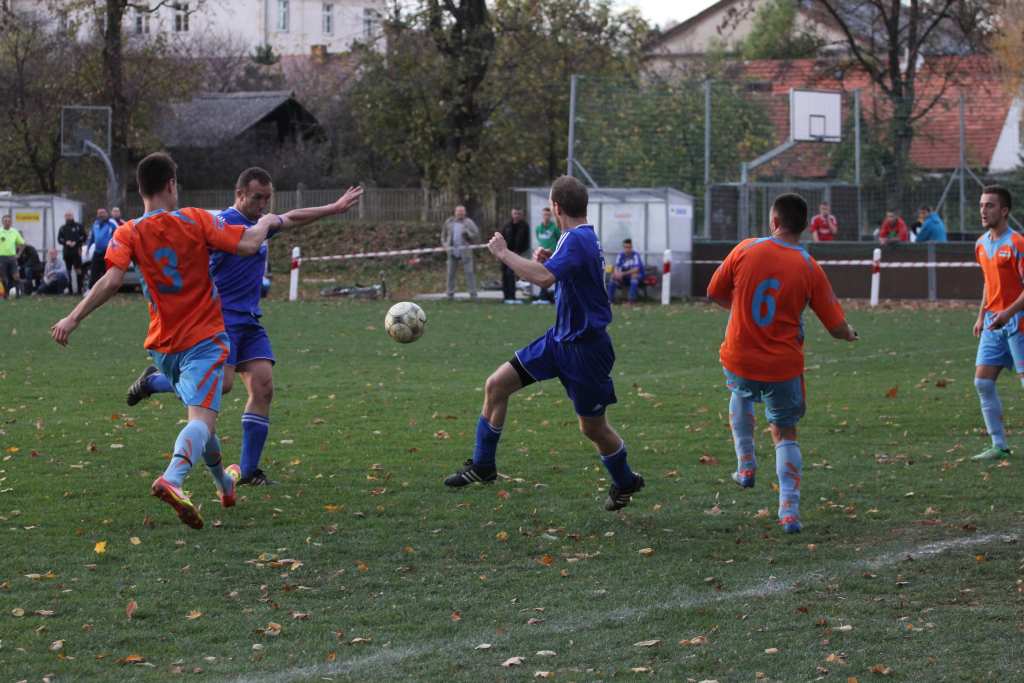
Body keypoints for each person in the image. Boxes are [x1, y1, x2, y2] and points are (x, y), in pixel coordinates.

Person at [51, 152, 279, 529]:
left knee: (202, 415)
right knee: (202, 422)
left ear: (140, 189)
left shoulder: (128, 232)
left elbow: (110, 281)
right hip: (204, 340)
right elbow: (247, 245)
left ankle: (225, 483)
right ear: (171, 184)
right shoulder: (194, 219)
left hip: (162, 347)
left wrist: (72, 318)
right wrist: (267, 222)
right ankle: (172, 479)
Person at [125, 167, 364, 486]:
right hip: (219, 320)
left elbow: (291, 217)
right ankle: (154, 382)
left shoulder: (258, 225)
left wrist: (333, 208)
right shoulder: (222, 223)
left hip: (250, 321)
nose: (263, 204)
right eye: (257, 198)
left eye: (267, 198)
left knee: (263, 386)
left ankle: (249, 470)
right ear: (239, 195)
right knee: (221, 385)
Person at [444, 176, 645, 511]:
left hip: (585, 351)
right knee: (496, 385)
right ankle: (483, 466)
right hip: (559, 341)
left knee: (593, 428)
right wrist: (549, 257)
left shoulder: (578, 240)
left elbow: (542, 277)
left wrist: (503, 252)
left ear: (556, 207)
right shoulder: (576, 239)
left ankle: (625, 481)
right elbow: (558, 274)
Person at [707, 193, 858, 534]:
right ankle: (788, 511)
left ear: (773, 222)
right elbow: (835, 327)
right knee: (784, 431)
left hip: (739, 355)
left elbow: (715, 292)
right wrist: (849, 333)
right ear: (804, 226)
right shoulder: (808, 266)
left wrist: (741, 312)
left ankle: (745, 466)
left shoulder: (745, 248)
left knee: (740, 391)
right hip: (782, 366)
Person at [970, 186, 1024, 461]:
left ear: (1004, 211)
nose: (983, 210)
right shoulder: (981, 244)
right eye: (981, 205)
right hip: (993, 323)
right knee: (983, 382)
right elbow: (988, 285)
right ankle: (999, 445)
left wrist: (1008, 313)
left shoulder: (1017, 243)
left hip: (1018, 322)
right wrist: (982, 315)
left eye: (989, 205)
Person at [441, 205, 479, 300]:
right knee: (450, 273)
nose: (460, 213)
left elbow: (476, 235)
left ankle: (473, 294)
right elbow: (443, 235)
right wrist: (445, 245)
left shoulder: (469, 222)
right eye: (458, 211)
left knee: (469, 272)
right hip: (452, 251)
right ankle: (450, 294)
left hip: (466, 252)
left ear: (465, 213)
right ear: (455, 212)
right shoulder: (449, 222)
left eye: (462, 211)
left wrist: (467, 233)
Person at [500, 208, 530, 303]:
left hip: (517, 254)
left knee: (511, 274)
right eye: (515, 213)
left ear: (521, 215)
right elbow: (502, 238)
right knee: (505, 274)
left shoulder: (524, 226)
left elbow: (526, 242)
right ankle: (506, 297)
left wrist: (519, 252)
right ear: (512, 214)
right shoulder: (507, 225)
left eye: (518, 213)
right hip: (505, 253)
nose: (516, 215)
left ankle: (512, 297)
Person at [86, 208, 117, 289]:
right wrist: (87, 249)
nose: (101, 214)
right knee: (94, 271)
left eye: (103, 213)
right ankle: (91, 289)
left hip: (107, 252)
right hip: (97, 252)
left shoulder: (111, 224)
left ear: (107, 213)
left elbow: (117, 236)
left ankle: (109, 290)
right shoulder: (95, 224)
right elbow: (92, 238)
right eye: (99, 213)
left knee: (107, 272)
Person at [607, 238, 645, 303]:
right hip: (625, 276)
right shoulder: (620, 255)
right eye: (626, 247)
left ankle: (631, 301)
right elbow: (616, 266)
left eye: (629, 247)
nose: (627, 249)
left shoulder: (635, 255)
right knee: (613, 278)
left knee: (634, 277)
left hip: (637, 275)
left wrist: (623, 274)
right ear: (623, 247)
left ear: (631, 247)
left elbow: (636, 269)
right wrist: (617, 274)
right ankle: (610, 300)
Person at [534, 207, 559, 303]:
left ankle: (556, 296)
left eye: (548, 215)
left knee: (555, 275)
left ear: (551, 216)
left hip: (552, 255)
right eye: (544, 214)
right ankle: (543, 297)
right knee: (542, 275)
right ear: (542, 215)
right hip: (542, 256)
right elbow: (539, 240)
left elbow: (559, 239)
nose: (546, 217)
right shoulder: (538, 228)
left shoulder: (554, 228)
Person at [58, 212, 86, 294]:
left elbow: (84, 237)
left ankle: (80, 290)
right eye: (66, 216)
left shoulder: (78, 226)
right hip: (67, 252)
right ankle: (70, 290)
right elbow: (59, 239)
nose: (68, 217)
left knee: (78, 270)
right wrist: (66, 242)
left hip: (76, 251)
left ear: (73, 216)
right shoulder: (62, 228)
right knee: (68, 271)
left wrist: (76, 242)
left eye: (69, 215)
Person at [0, 215, 25, 298]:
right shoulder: (0, 231)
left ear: (11, 222)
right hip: (2, 257)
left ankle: (19, 294)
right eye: (5, 221)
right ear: (2, 222)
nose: (7, 222)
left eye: (8, 221)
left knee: (16, 276)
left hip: (12, 257)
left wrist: (18, 254)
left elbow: (22, 243)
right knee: (4, 278)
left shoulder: (14, 231)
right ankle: (6, 294)